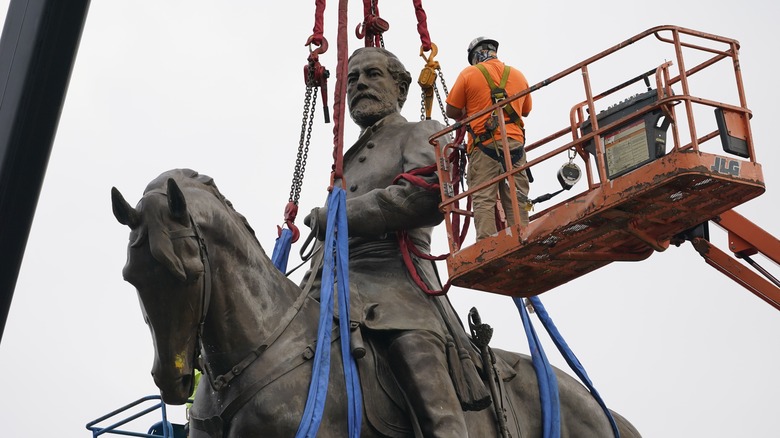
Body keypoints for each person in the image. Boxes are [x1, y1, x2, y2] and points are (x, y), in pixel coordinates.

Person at [303, 47, 485, 437]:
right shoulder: (346, 159)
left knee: (416, 357)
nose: (359, 85)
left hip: (396, 284)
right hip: (330, 286)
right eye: (352, 79)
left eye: (372, 75)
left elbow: (426, 195)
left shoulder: (418, 132)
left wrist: (340, 215)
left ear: (401, 87)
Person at [446, 37, 533, 240]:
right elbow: (526, 110)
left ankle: (487, 244)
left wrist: (472, 108)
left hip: (483, 147)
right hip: (515, 146)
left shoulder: (469, 74)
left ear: (475, 56)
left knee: (484, 197)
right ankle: (522, 237)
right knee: (516, 196)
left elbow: (452, 110)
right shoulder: (518, 75)